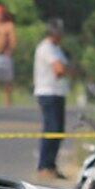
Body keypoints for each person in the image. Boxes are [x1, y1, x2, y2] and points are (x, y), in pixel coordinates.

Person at [32, 19, 69, 180]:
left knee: (58, 130)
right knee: (52, 129)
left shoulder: (56, 48)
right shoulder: (47, 48)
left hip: (57, 92)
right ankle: (44, 165)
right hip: (48, 92)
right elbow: (59, 70)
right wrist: (70, 70)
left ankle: (51, 165)